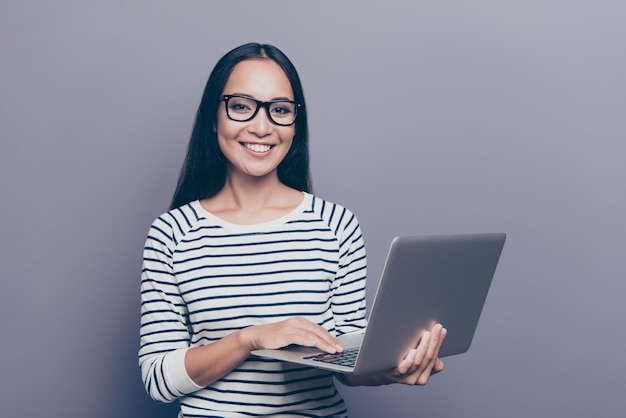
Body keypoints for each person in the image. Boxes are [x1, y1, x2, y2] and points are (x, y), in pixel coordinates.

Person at [139, 42, 447, 417]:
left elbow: (347, 363)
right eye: (241, 106)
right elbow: (158, 379)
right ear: (213, 118)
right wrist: (249, 339)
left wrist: (393, 369)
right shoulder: (172, 233)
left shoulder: (336, 226)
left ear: (295, 123)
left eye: (280, 110)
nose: (262, 126)